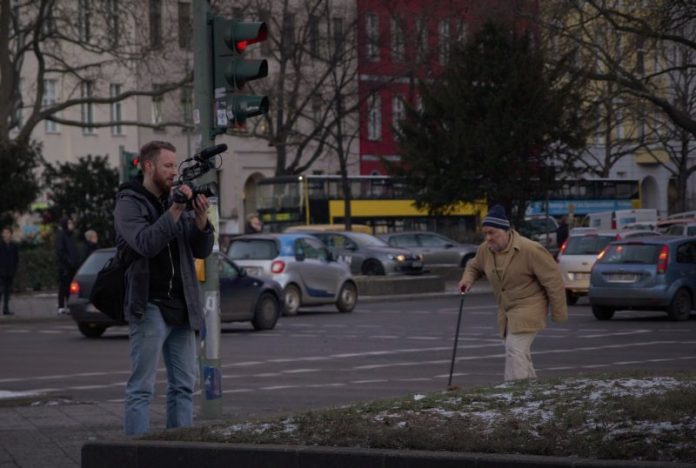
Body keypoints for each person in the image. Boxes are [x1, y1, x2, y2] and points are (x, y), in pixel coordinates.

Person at [114, 140, 214, 437]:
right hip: (149, 305)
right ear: (148, 166)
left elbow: (201, 250)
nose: (174, 171)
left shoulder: (176, 199)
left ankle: (179, 450)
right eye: (167, 166)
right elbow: (146, 242)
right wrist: (175, 209)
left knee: (184, 385)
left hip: (182, 305)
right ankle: (135, 452)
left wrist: (200, 220)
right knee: (142, 387)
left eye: (175, 165)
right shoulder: (129, 202)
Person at [458, 205, 568, 381]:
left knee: (514, 348)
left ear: (506, 231)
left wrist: (558, 313)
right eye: (485, 233)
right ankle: (531, 390)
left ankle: (515, 392)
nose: (488, 238)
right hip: (507, 310)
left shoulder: (530, 249)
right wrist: (467, 280)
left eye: (492, 233)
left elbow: (553, 280)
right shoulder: (485, 249)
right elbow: (474, 266)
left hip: (530, 306)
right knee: (519, 353)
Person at [55, 216, 80, 314]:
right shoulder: (61, 236)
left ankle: (69, 305)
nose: (71, 225)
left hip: (72, 266)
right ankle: (61, 306)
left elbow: (74, 251)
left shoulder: (72, 236)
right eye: (69, 223)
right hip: (64, 267)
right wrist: (68, 262)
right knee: (63, 286)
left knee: (70, 287)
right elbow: (60, 251)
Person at [0, 227, 19, 315]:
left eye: (8, 233)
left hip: (10, 271)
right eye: (4, 233)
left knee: (8, 291)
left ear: (11, 234)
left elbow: (16, 258)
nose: (6, 235)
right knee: (1, 290)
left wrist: (14, 269)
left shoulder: (14, 246)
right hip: (1, 271)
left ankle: (6, 309)